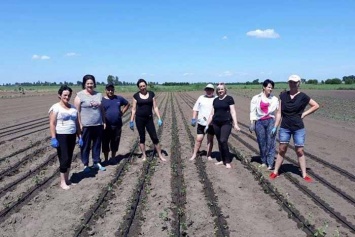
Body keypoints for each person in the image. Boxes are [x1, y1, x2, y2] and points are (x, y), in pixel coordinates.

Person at [270, 75, 319, 182]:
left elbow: (315, 105)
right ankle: (275, 172)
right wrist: (275, 126)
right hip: (285, 127)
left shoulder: (303, 96)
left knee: (300, 150)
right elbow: (279, 113)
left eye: (295, 82)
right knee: (282, 149)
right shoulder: (283, 95)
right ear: (288, 83)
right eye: (291, 82)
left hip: (298, 127)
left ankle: (304, 174)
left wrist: (304, 114)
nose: (292, 84)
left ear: (299, 83)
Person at [49, 85, 82, 190]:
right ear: (60, 95)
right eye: (65, 95)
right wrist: (54, 137)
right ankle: (62, 182)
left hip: (71, 135)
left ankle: (67, 180)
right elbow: (52, 123)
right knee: (64, 158)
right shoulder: (55, 108)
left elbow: (76, 124)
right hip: (61, 136)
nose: (67, 97)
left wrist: (80, 136)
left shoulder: (73, 108)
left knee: (69, 158)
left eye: (69, 95)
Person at [74, 74, 106, 172]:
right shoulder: (79, 95)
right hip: (86, 126)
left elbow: (102, 110)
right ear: (84, 84)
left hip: (97, 124)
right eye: (87, 83)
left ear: (94, 84)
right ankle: (86, 165)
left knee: (97, 144)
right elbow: (77, 112)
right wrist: (79, 125)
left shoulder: (98, 95)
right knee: (85, 145)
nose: (90, 85)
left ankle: (96, 162)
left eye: (91, 83)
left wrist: (104, 121)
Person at [130, 78, 166, 161]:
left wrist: (159, 118)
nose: (142, 87)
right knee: (142, 137)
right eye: (140, 86)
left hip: (149, 119)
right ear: (139, 87)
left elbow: (155, 107)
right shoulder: (136, 96)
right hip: (139, 119)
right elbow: (134, 109)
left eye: (144, 85)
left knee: (154, 137)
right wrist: (131, 120)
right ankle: (144, 155)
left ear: (146, 85)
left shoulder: (151, 94)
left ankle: (160, 155)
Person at [206, 83, 241, 169]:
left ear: (225, 90)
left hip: (226, 123)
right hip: (216, 123)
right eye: (218, 89)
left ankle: (227, 161)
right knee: (219, 141)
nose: (220, 91)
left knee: (223, 140)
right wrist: (207, 124)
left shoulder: (229, 99)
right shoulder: (215, 100)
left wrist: (235, 124)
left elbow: (233, 112)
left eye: (222, 89)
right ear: (217, 91)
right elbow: (212, 113)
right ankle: (222, 160)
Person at [249, 79, 279, 170]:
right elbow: (252, 111)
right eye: (269, 87)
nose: (270, 89)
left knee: (271, 142)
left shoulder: (274, 99)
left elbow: (279, 110)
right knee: (261, 142)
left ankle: (270, 163)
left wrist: (275, 126)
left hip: (270, 121)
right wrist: (252, 123)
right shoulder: (256, 98)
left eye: (272, 87)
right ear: (264, 87)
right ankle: (263, 161)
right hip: (259, 122)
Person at [102, 83, 130, 163]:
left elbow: (127, 104)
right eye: (108, 90)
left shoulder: (118, 98)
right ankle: (106, 159)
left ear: (114, 90)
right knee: (105, 142)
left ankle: (113, 158)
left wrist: (122, 112)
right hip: (106, 126)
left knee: (115, 142)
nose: (110, 91)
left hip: (117, 125)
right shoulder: (102, 100)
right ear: (105, 90)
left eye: (112, 89)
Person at [189, 83, 216, 161]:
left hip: (211, 123)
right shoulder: (201, 98)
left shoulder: (216, 98)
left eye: (210, 90)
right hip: (201, 122)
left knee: (210, 139)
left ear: (213, 91)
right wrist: (194, 119)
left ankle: (209, 155)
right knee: (199, 139)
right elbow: (195, 109)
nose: (209, 91)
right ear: (205, 90)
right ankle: (195, 154)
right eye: (207, 89)